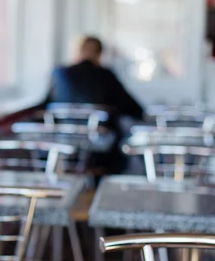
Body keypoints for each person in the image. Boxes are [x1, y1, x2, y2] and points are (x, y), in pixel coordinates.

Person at [45, 36, 145, 173]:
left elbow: (46, 105)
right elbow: (134, 109)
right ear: (100, 54)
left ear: (78, 52)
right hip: (99, 150)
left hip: (62, 145)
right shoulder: (106, 76)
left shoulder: (60, 74)